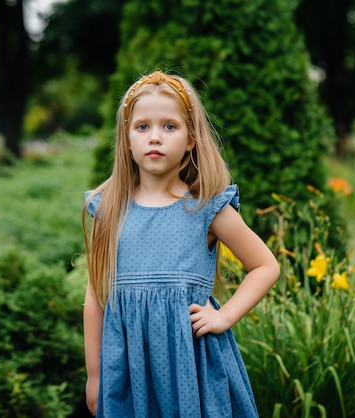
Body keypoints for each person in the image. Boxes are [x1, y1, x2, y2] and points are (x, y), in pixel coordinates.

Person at [82, 70, 279, 417]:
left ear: (190, 139)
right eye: (142, 127)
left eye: (169, 127)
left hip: (193, 367)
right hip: (129, 369)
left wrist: (224, 316)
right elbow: (96, 296)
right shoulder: (109, 210)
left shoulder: (206, 208)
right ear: (127, 139)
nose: (154, 137)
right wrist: (95, 375)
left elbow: (265, 266)